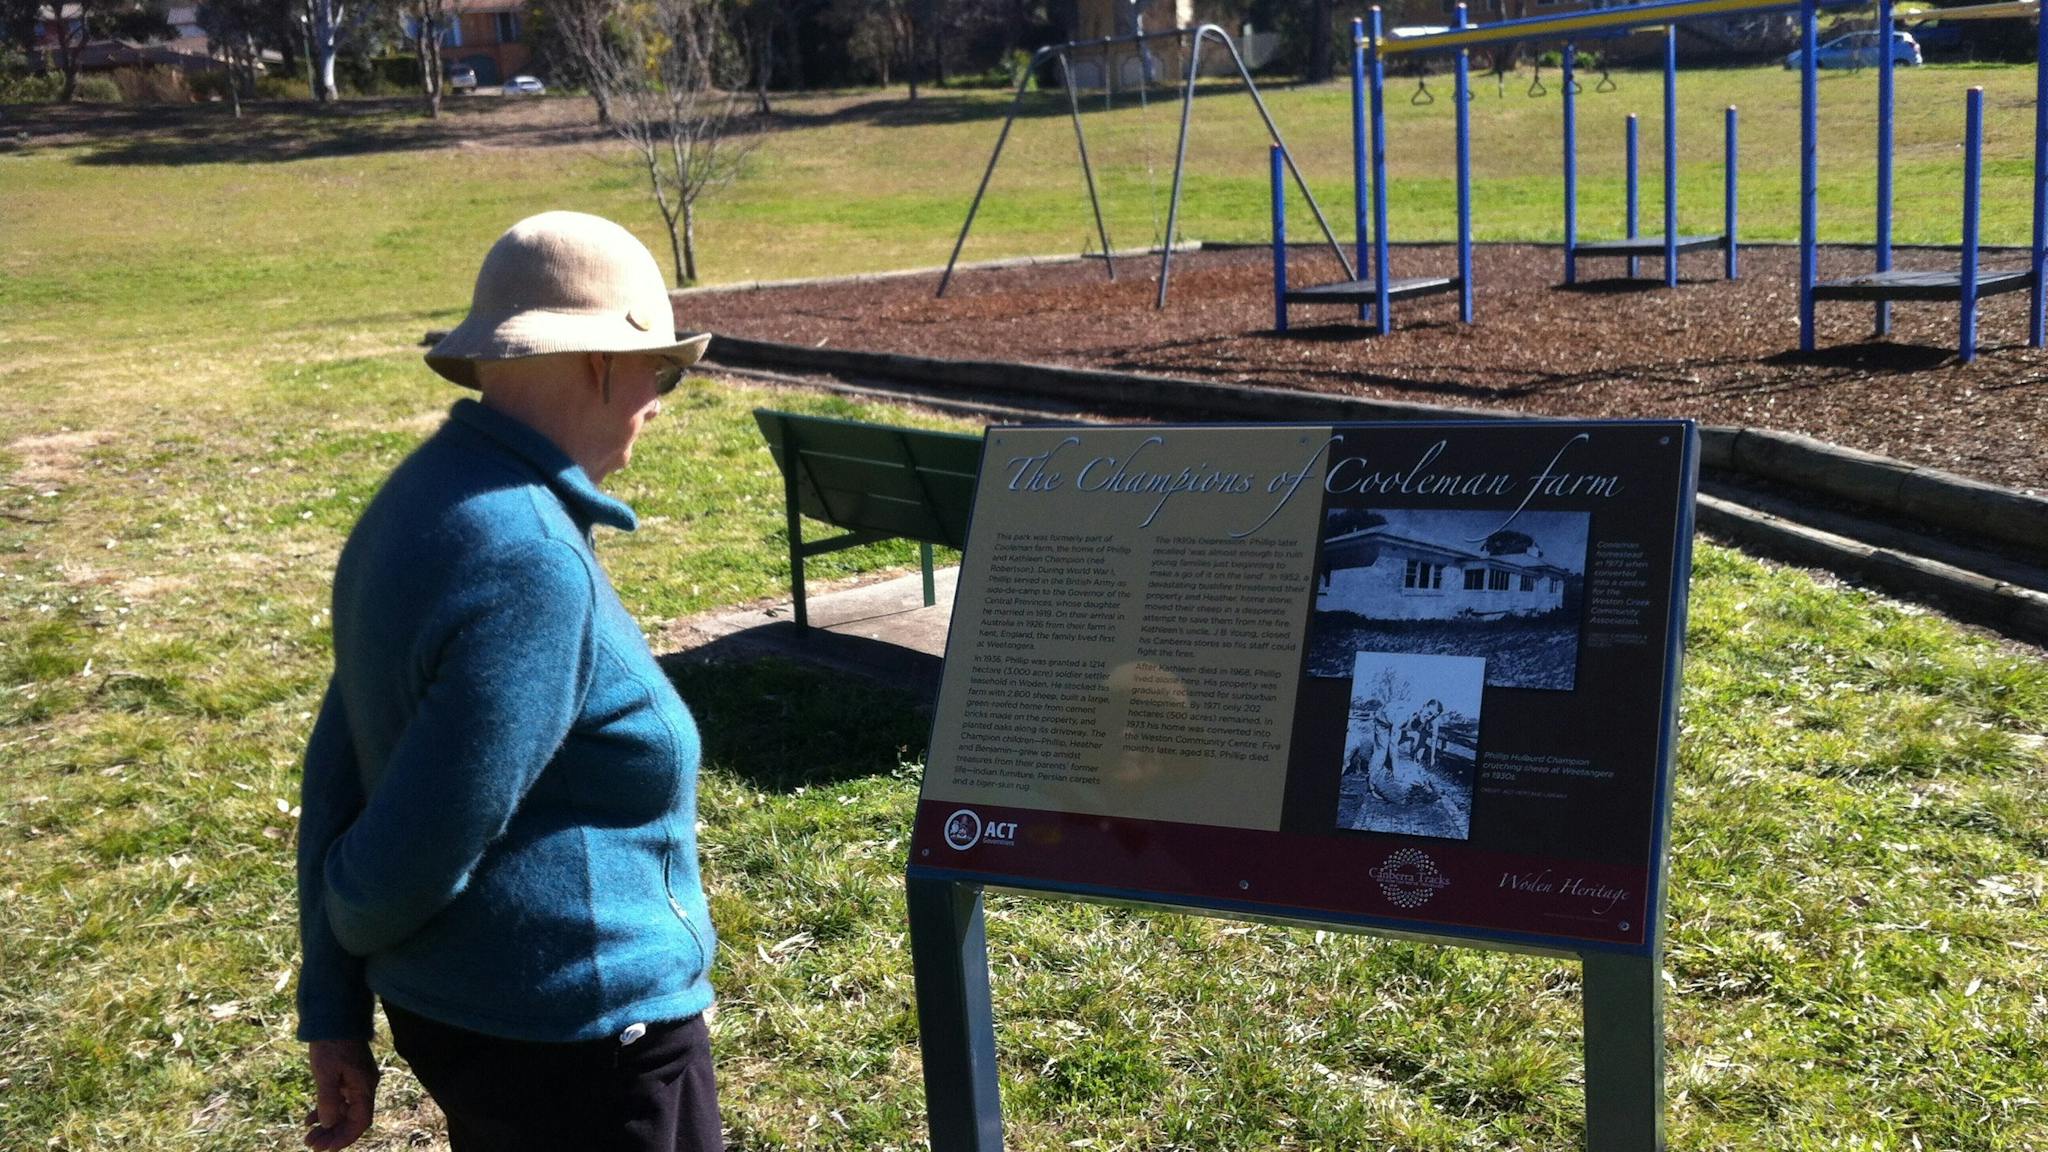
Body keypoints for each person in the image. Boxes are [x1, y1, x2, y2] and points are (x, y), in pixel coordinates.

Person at [294, 211, 723, 1152]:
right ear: (599, 363)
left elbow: (340, 763)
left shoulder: (422, 500)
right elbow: (410, 848)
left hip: (474, 1024)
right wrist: (348, 929)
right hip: (582, 1050)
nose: (659, 399)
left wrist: (334, 997)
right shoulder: (529, 558)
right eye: (664, 371)